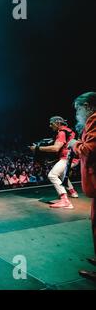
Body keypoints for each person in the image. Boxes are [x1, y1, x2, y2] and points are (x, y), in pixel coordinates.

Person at [68, 92, 96, 282]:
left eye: (78, 108)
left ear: (87, 105)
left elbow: (88, 148)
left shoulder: (95, 119)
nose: (77, 113)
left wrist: (74, 143)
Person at [30, 116, 79, 209]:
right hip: (73, 158)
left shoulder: (61, 132)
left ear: (58, 123)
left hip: (68, 159)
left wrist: (37, 148)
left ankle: (65, 200)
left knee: (52, 175)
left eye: (51, 123)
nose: (50, 125)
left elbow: (56, 148)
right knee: (62, 174)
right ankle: (73, 192)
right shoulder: (68, 131)